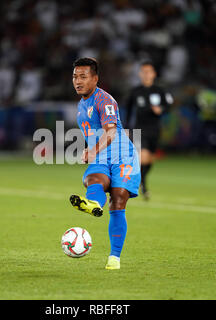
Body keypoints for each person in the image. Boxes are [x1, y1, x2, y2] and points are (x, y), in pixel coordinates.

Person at [69, 57, 141, 270]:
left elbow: (110, 131)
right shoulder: (81, 105)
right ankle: (93, 205)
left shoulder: (105, 100)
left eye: (83, 77)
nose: (77, 81)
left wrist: (92, 150)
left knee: (118, 201)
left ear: (95, 79)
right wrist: (89, 148)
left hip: (123, 157)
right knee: (94, 179)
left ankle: (114, 258)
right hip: (101, 157)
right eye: (75, 77)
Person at [125, 61, 173, 200]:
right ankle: (139, 184)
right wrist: (127, 128)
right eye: (144, 72)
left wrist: (161, 110)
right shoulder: (136, 91)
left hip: (155, 130)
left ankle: (142, 181)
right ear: (140, 74)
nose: (146, 74)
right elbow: (128, 110)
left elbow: (168, 106)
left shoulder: (160, 91)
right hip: (140, 129)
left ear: (154, 74)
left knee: (150, 160)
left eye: (149, 71)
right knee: (143, 156)